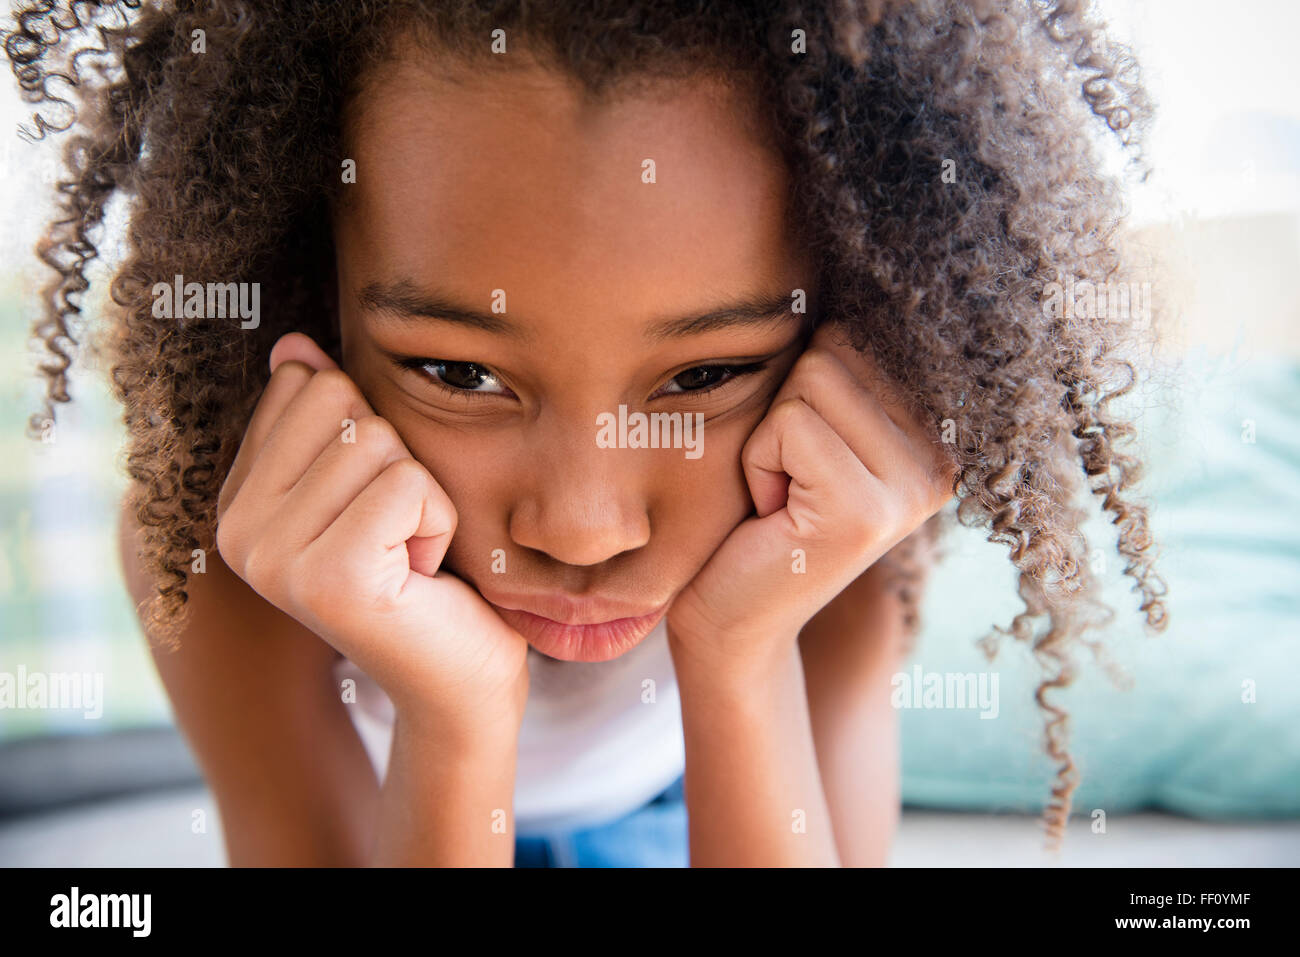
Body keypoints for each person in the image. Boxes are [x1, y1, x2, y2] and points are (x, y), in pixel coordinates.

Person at [9, 0, 1167, 866]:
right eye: (458, 371)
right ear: (309, 309)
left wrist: (742, 651)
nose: (581, 528)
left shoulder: (834, 546)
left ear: (847, 339)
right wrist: (454, 719)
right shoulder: (226, 564)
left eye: (706, 373)